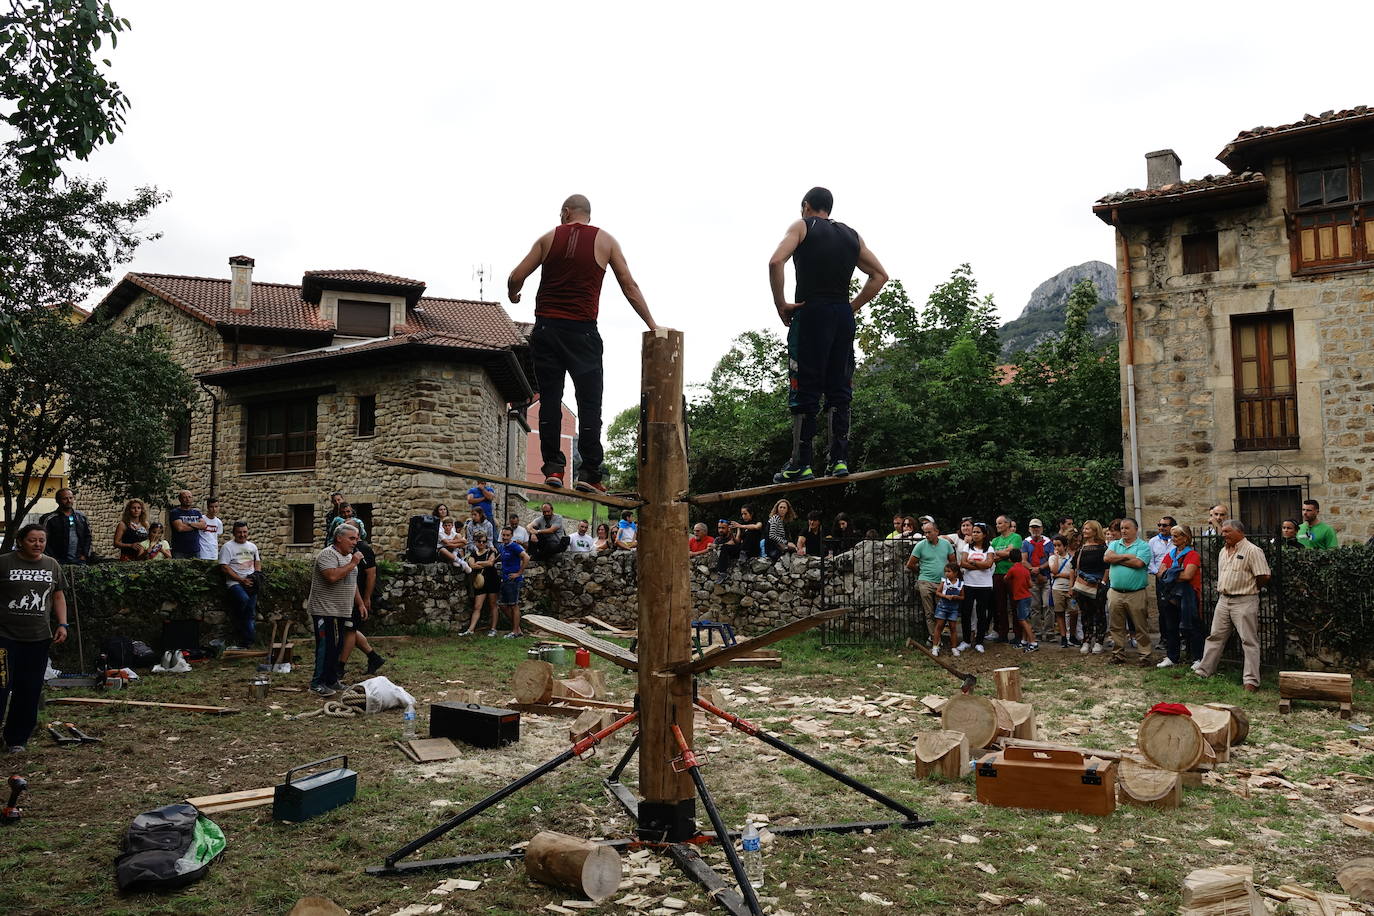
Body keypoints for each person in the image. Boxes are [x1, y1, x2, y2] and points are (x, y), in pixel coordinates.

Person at [508, 193, 657, 492]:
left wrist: (514, 294)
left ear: (565, 213)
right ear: (587, 214)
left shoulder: (547, 239)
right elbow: (629, 285)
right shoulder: (606, 242)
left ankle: (553, 469)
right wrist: (652, 325)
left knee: (550, 399)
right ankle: (589, 473)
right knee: (590, 404)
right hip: (583, 333)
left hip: (547, 329)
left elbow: (515, 276)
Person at [768, 186, 888, 482]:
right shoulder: (851, 235)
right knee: (839, 388)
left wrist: (781, 304)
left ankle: (800, 463)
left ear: (806, 206)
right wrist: (851, 307)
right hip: (841, 317)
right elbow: (880, 276)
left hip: (811, 313)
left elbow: (775, 262)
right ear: (829, 208)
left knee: (804, 385)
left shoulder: (802, 227)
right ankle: (839, 461)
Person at [0, 524, 69, 752]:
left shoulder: (51, 565)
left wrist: (62, 624)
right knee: (1, 687)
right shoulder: (5, 562)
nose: (38, 544)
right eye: (32, 540)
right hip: (5, 637)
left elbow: (58, 596)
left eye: (41, 540)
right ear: (20, 541)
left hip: (38, 638)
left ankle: (17, 739)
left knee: (28, 689)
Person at [1194, 519, 1271, 691]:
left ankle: (1250, 681)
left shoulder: (1252, 550)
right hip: (1224, 600)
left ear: (1239, 532)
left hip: (1245, 600)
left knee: (1249, 641)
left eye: (1227, 531)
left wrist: (1253, 588)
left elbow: (1264, 575)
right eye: (1223, 531)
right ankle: (1204, 671)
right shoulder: (1223, 551)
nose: (1224, 534)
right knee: (1215, 636)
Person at [307, 523, 367, 697]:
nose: (355, 542)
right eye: (351, 538)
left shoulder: (349, 557)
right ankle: (317, 682)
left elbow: (351, 581)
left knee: (338, 646)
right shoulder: (327, 555)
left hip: (342, 610)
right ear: (339, 538)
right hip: (324, 609)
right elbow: (332, 576)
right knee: (326, 647)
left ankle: (332, 679)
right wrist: (354, 562)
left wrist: (360, 603)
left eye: (356, 538)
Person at [1104, 518, 1154, 665]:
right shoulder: (1114, 543)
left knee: (1140, 625)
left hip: (1136, 593)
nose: (1123, 531)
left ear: (1135, 529)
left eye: (1127, 528)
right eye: (1122, 528)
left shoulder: (1143, 546)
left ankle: (1145, 656)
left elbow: (1139, 563)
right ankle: (1118, 654)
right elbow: (1106, 558)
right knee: (1116, 625)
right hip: (1115, 592)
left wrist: (1116, 559)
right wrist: (1127, 556)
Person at [1156, 524, 1202, 669]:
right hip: (1171, 594)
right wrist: (1175, 572)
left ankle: (1198, 657)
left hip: (1188, 595)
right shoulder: (1170, 554)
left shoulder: (1193, 555)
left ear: (1185, 538)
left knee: (1192, 626)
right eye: (1172, 535)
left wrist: (1169, 573)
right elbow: (1159, 573)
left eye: (1176, 536)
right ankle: (1172, 656)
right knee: (1171, 626)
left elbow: (1188, 575)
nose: (1173, 538)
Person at [338, 537, 386, 675]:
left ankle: (340, 667)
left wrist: (365, 599)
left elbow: (371, 574)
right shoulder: (343, 550)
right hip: (346, 594)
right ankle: (373, 657)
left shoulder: (363, 549)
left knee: (350, 629)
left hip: (354, 596)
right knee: (349, 629)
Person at [906, 521, 955, 639]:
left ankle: (938, 634)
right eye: (925, 532)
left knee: (942, 611)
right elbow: (910, 564)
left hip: (942, 582)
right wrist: (921, 572)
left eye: (929, 532)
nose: (926, 535)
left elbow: (953, 562)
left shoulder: (946, 544)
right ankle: (934, 638)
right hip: (925, 581)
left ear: (936, 532)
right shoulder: (921, 545)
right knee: (929, 612)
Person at [218, 521, 262, 648]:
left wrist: (257, 576)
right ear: (234, 533)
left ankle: (248, 642)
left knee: (250, 611)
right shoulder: (228, 547)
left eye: (244, 532)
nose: (242, 535)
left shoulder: (252, 547)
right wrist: (241, 580)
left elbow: (257, 562)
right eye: (239, 532)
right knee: (244, 601)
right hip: (234, 583)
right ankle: (243, 632)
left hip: (251, 582)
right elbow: (224, 568)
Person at [1071, 520, 1109, 655]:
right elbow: (1074, 568)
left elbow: (1107, 567)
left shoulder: (1103, 548)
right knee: (1085, 614)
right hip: (1082, 585)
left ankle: (1099, 641)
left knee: (1099, 613)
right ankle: (1086, 640)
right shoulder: (1080, 549)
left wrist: (1103, 583)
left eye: (1088, 529)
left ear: (1095, 531)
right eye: (1084, 528)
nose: (1084, 531)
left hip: (1098, 585)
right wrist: (1072, 586)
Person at [959, 523, 995, 653]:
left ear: (984, 534)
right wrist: (981, 565)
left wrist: (973, 563)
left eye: (978, 532)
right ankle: (966, 640)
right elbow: (962, 563)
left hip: (984, 585)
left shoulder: (989, 549)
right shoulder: (967, 547)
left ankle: (979, 641)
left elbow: (989, 564)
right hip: (969, 584)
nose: (974, 534)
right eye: (973, 532)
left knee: (981, 614)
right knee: (966, 613)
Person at [460, 529, 500, 636]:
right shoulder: (473, 553)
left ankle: (493, 628)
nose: (481, 543)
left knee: (493, 605)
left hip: (492, 580)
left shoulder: (491, 551)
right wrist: (485, 563)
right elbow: (472, 565)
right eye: (479, 541)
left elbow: (491, 563)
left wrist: (479, 562)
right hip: (480, 582)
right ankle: (471, 629)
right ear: (475, 542)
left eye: (483, 541)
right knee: (477, 606)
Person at [988, 516, 1020, 643]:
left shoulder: (1016, 537)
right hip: (998, 574)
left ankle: (1018, 635)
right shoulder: (995, 540)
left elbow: (1012, 553)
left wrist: (1000, 553)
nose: (997, 526)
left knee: (1015, 605)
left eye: (1000, 523)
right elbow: (993, 557)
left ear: (1007, 524)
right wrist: (1006, 553)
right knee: (1000, 606)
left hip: (1012, 574)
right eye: (996, 524)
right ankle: (1003, 634)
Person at [1147, 516, 1176, 651]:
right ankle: (1164, 638)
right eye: (1159, 525)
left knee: (1176, 608)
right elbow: (1150, 560)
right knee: (1163, 609)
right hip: (1161, 579)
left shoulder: (1176, 540)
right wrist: (1157, 572)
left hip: (1176, 579)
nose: (1161, 528)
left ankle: (1178, 638)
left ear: (1171, 527)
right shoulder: (1153, 541)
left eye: (1164, 525)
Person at [41, 487, 92, 564]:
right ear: (57, 501)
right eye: (65, 498)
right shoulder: (49, 519)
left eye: (71, 498)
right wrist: (52, 558)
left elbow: (88, 536)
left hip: (79, 560)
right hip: (57, 561)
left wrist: (84, 555)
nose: (69, 501)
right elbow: (43, 539)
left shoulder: (81, 517)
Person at [1021, 519, 1053, 639]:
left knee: (1048, 605)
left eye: (1037, 527)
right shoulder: (1026, 543)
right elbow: (1024, 560)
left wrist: (1039, 568)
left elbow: (1051, 559)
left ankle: (1049, 632)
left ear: (1042, 529)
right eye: (1033, 527)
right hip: (1032, 578)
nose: (1035, 530)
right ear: (1029, 529)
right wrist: (1033, 570)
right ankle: (1037, 631)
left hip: (1046, 577)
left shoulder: (1048, 542)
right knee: (1034, 606)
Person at [496, 525, 529, 638]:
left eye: (507, 535)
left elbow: (526, 557)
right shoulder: (503, 547)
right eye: (503, 535)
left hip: (513, 580)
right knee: (503, 605)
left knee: (513, 605)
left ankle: (515, 631)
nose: (505, 537)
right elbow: (500, 557)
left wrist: (519, 573)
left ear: (511, 536)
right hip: (504, 579)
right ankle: (518, 629)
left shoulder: (515, 546)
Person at [1048, 535, 1078, 648]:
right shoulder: (1052, 558)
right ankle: (1064, 637)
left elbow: (1073, 574)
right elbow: (1054, 570)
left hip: (1069, 588)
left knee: (1074, 612)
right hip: (1057, 589)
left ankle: (1073, 636)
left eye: (1059, 545)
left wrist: (1059, 575)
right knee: (1059, 612)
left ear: (1065, 546)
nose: (1057, 548)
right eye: (1055, 545)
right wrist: (1056, 557)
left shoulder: (1071, 558)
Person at [1005, 548, 1037, 652]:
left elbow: (1005, 578)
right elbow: (1030, 584)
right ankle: (1024, 641)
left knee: (1022, 620)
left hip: (1020, 597)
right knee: (1026, 619)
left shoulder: (1013, 569)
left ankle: (1033, 642)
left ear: (1010, 559)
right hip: (1027, 596)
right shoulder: (1025, 569)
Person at [931, 563, 965, 656]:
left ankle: (954, 647)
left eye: (949, 571)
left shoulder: (960, 584)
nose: (946, 573)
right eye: (945, 571)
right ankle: (935, 646)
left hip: (953, 609)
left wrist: (956, 597)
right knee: (939, 626)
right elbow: (938, 592)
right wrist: (945, 596)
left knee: (953, 627)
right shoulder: (944, 582)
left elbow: (962, 597)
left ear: (955, 573)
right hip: (942, 607)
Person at [167, 489, 206, 559]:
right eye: (185, 497)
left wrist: (189, 523)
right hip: (179, 551)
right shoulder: (175, 512)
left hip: (195, 550)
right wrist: (197, 526)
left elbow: (203, 526)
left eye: (189, 497)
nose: (187, 499)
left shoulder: (197, 512)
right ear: (180, 499)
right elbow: (180, 528)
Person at [198, 497, 224, 561]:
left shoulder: (219, 522)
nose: (214, 509)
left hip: (214, 552)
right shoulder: (202, 519)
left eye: (216, 507)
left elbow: (216, 536)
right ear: (208, 507)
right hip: (203, 552)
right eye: (211, 507)